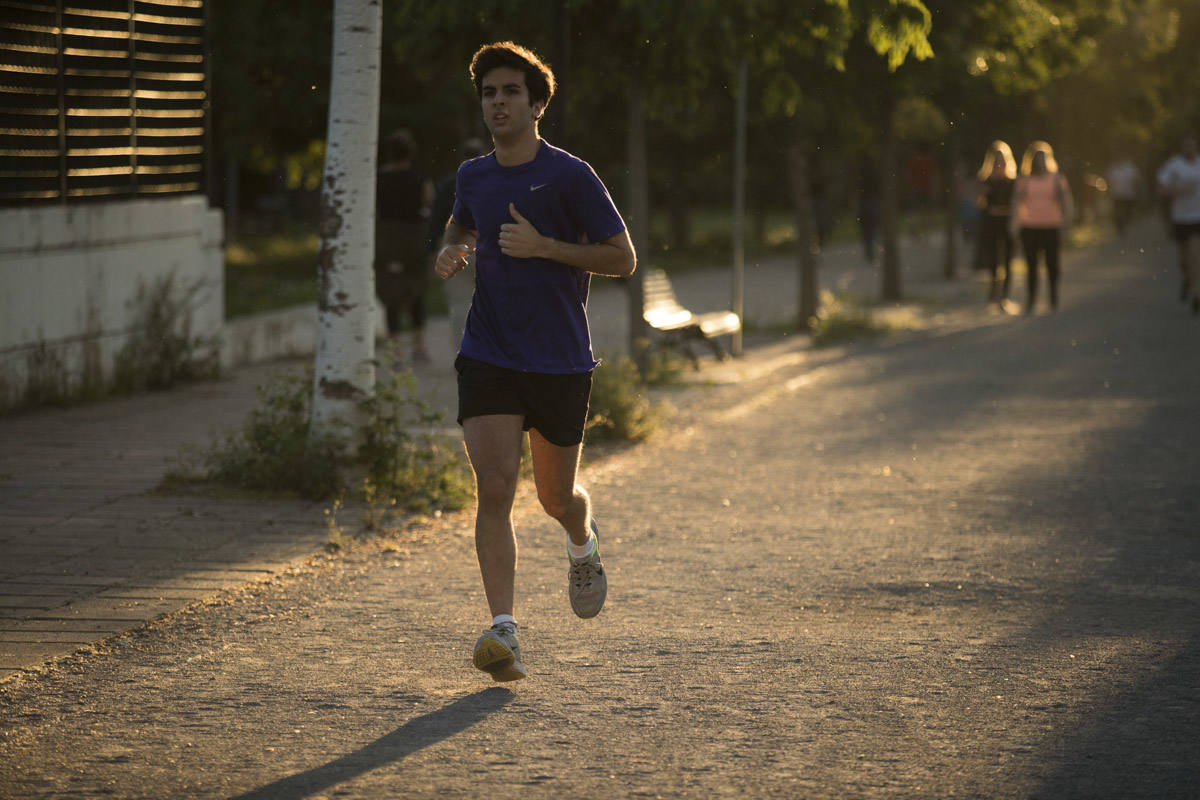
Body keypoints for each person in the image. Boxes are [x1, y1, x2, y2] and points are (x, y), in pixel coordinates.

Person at [434, 42, 637, 682]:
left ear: (537, 102)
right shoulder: (473, 176)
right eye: (489, 93)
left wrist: (545, 247)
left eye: (510, 92)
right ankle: (504, 632)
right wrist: (454, 251)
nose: (498, 102)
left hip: (558, 359)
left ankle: (583, 543)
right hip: (488, 351)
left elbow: (622, 257)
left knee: (554, 497)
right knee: (494, 488)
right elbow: (460, 226)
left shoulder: (571, 176)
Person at [376, 129, 434, 363]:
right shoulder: (420, 178)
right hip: (414, 238)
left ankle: (395, 350)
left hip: (387, 238)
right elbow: (428, 203)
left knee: (391, 293)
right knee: (417, 290)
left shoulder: (378, 178)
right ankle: (419, 346)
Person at [427, 138, 489, 346]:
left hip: (455, 250)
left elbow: (436, 221)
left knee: (460, 304)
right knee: (490, 302)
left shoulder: (447, 184)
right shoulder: (493, 180)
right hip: (486, 249)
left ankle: (463, 352)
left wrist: (432, 251)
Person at [1015, 141, 1073, 313]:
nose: (1039, 162)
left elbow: (1066, 202)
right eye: (1036, 158)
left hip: (1051, 226)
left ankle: (1053, 297)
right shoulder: (1024, 180)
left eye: (1042, 158)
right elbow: (1017, 203)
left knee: (1052, 264)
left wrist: (1066, 225)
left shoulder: (1057, 179)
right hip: (1030, 227)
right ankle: (1031, 300)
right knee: (1031, 265)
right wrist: (1014, 225)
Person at [1156, 134, 1200, 314]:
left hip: (1198, 217)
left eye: (1192, 145)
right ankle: (1188, 280)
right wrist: (1178, 190)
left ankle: (1196, 294)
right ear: (1182, 147)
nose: (1189, 148)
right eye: (1185, 145)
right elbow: (1160, 189)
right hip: (1181, 218)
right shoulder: (1173, 165)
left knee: (1195, 255)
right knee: (1183, 259)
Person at [976, 141, 1017, 309]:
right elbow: (980, 203)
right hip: (991, 224)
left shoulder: (1013, 182)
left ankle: (1004, 297)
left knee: (1007, 261)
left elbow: (1017, 204)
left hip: (1007, 224)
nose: (1000, 164)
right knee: (993, 260)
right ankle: (994, 292)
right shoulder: (986, 181)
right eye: (997, 161)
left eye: (1002, 160)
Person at [1106, 156, 1141, 236]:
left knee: (1127, 211)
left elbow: (1136, 181)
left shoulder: (1131, 168)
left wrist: (1136, 191)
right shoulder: (1113, 169)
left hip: (1129, 194)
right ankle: (1120, 227)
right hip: (1117, 194)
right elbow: (1109, 182)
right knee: (1117, 212)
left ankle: (1126, 224)